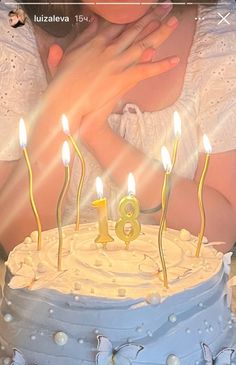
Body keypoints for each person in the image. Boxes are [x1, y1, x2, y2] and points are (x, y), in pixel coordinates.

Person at [0, 0, 235, 255]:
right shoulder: (15, 26)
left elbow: (219, 235)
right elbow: (20, 242)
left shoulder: (218, 34)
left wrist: (97, 134)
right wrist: (60, 107)